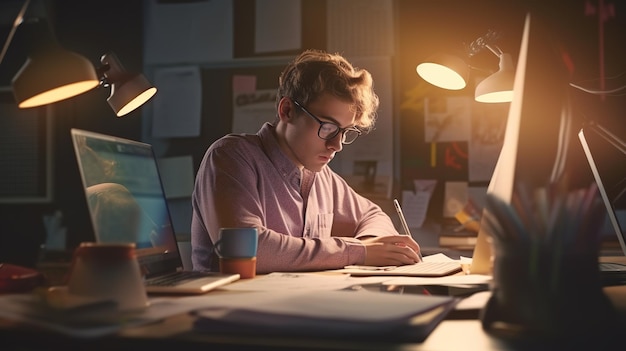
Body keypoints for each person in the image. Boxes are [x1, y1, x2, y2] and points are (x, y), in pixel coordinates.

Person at [191, 49, 421, 273]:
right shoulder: (231, 157)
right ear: (288, 110)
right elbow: (248, 250)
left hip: (298, 305)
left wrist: (373, 244)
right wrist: (358, 251)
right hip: (230, 308)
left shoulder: (322, 177)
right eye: (327, 127)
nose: (337, 145)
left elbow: (373, 215)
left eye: (345, 131)